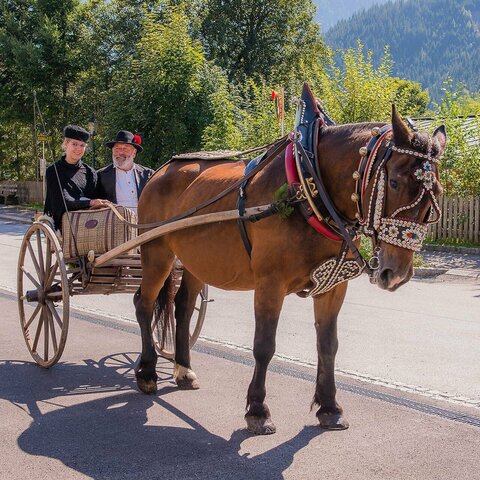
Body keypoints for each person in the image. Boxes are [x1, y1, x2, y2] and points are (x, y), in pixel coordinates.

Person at [44, 125, 109, 230]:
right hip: (63, 225)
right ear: (66, 144)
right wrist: (91, 202)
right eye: (74, 144)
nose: (78, 149)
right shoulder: (53, 171)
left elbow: (98, 198)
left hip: (89, 224)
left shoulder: (90, 173)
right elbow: (63, 201)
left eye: (82, 145)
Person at [96, 130, 154, 215]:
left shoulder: (148, 174)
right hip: (114, 225)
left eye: (125, 149)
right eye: (117, 149)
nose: (121, 152)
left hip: (144, 226)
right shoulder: (100, 176)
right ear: (112, 151)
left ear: (134, 153)